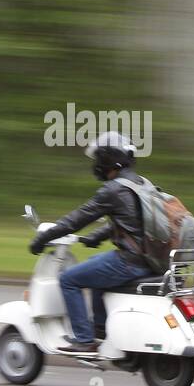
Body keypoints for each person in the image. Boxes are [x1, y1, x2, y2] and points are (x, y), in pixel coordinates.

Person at [29, 131, 151, 351]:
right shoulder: (141, 184)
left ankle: (84, 340)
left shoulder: (113, 189)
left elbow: (76, 220)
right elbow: (135, 221)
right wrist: (97, 236)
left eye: (99, 158)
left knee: (68, 279)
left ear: (107, 159)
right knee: (96, 263)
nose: (96, 163)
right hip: (148, 259)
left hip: (130, 262)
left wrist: (43, 238)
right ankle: (100, 328)